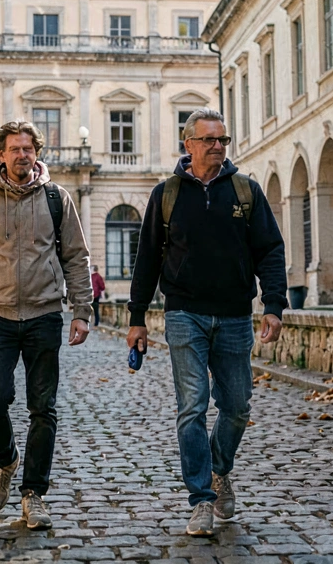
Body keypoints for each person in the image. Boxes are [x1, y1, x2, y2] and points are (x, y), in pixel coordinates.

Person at [126, 108, 286, 537]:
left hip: (235, 315)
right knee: (193, 406)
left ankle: (220, 468)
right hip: (184, 313)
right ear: (189, 144)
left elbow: (270, 250)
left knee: (236, 406)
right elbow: (147, 259)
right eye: (209, 140)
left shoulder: (245, 191)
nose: (218, 146)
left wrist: (273, 304)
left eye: (223, 140)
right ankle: (201, 499)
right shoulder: (167, 194)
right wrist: (137, 317)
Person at [0, 121, 93, 531]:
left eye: (28, 148)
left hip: (45, 314)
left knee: (43, 408)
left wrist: (82, 309)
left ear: (37, 153)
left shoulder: (57, 198)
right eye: (14, 148)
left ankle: (34, 494)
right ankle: (5, 461)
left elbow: (76, 257)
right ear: (1, 155)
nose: (22, 155)